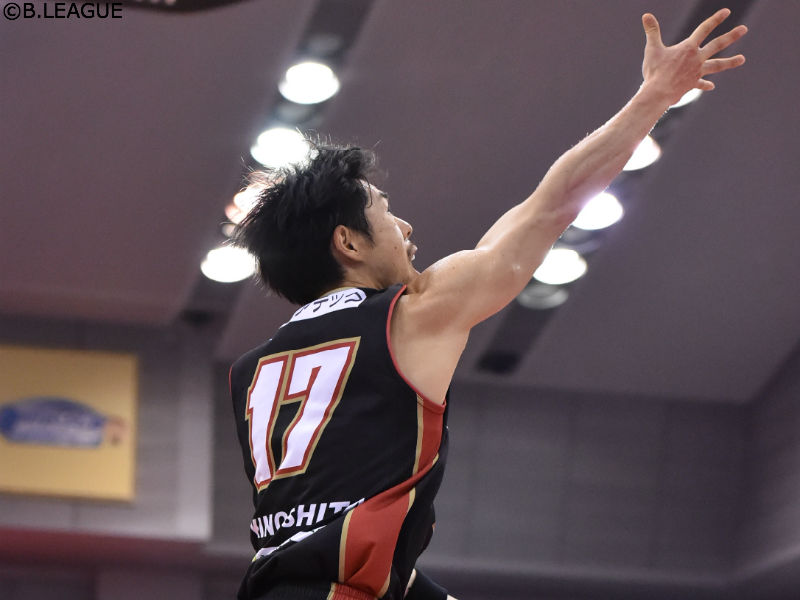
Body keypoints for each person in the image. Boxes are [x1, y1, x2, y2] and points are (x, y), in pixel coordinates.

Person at [229, 9, 747, 600]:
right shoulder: (409, 314)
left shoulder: (250, 372)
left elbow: (326, 522)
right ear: (347, 242)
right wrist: (654, 96)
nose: (405, 226)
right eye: (385, 212)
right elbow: (548, 208)